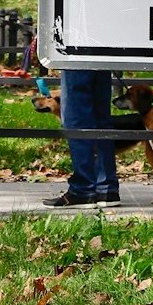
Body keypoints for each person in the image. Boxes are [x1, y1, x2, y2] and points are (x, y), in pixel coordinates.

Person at [43, 68, 120, 208]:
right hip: (103, 57)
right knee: (101, 118)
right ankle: (106, 189)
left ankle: (83, 190)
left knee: (76, 118)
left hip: (76, 57)